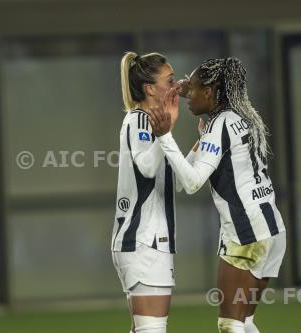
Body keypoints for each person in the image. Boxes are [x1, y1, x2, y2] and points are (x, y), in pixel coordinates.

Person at [147, 57, 286, 333]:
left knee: (230, 325)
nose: (187, 92)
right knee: (244, 322)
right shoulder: (244, 117)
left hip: (245, 234)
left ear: (210, 93)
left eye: (194, 88)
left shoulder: (219, 126)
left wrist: (165, 137)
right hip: (271, 230)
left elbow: (192, 183)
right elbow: (182, 177)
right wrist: (196, 102)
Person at [112, 51, 178, 333]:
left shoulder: (150, 121)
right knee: (152, 330)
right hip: (145, 240)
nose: (176, 86)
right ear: (151, 89)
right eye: (170, 80)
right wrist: (167, 130)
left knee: (144, 329)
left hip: (144, 240)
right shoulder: (140, 120)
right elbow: (148, 168)